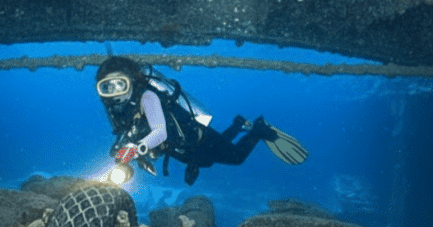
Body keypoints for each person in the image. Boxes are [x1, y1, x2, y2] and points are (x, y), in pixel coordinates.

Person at [95, 56, 308, 185]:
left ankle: (259, 129)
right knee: (209, 159)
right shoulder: (123, 111)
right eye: (107, 88)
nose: (115, 94)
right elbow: (135, 136)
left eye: (119, 84)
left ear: (131, 81)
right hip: (185, 149)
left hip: (198, 138)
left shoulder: (147, 97)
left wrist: (135, 149)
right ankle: (237, 124)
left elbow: (160, 133)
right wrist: (133, 153)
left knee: (236, 157)